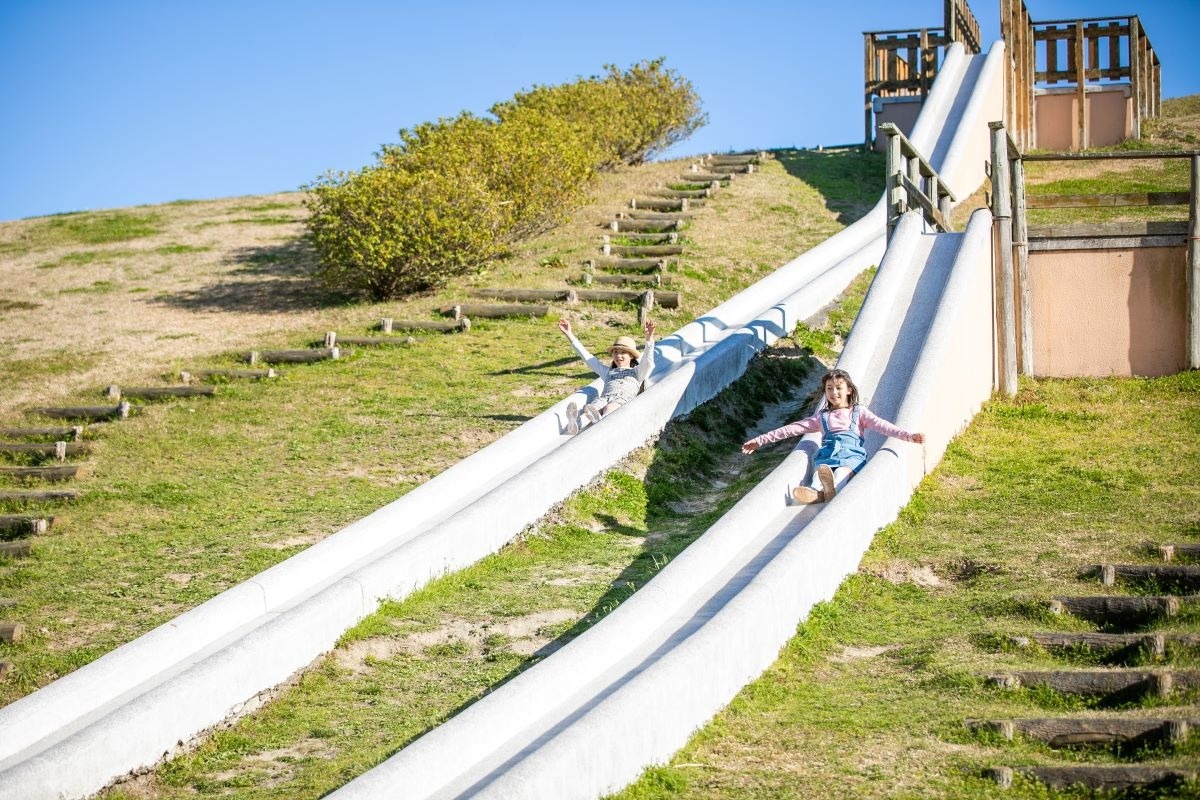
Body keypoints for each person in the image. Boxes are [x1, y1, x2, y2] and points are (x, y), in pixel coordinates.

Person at [740, 368, 925, 504]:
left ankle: (833, 488)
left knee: (842, 473)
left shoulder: (859, 413)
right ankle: (816, 492)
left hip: (851, 457)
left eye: (838, 388)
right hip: (827, 455)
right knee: (819, 475)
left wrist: (909, 436)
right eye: (829, 389)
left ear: (849, 390)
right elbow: (792, 429)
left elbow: (883, 426)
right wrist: (760, 440)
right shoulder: (822, 417)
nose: (834, 392)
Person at [557, 317, 656, 434]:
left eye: (623, 352)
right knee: (590, 409)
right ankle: (576, 424)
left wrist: (649, 339)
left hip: (622, 403)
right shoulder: (608, 372)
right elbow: (588, 358)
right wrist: (570, 335)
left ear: (631, 356)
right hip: (604, 398)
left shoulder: (637, 372)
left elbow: (647, 361)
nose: (618, 356)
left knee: (610, 407)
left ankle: (600, 421)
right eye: (615, 352)